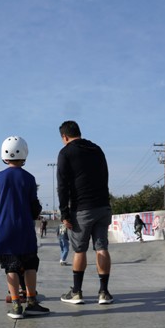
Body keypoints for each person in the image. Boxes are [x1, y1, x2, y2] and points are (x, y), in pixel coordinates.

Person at [0, 136, 49, 319]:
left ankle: (16, 306)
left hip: (5, 231)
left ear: (4, 155)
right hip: (25, 231)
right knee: (30, 265)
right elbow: (35, 208)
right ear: (25, 153)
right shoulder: (29, 178)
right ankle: (31, 301)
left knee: (11, 268)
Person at [57, 120, 113, 305]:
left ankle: (76, 292)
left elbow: (62, 186)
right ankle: (104, 293)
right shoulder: (97, 149)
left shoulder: (66, 152)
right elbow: (105, 176)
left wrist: (64, 213)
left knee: (79, 250)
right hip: (103, 206)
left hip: (82, 209)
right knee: (102, 247)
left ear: (64, 137)